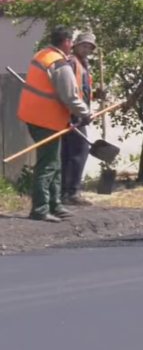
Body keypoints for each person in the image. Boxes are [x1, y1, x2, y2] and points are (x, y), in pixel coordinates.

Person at [17, 25, 92, 222]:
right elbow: (70, 96)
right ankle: (40, 209)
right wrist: (85, 113)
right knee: (48, 164)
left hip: (34, 116)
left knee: (55, 161)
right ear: (67, 42)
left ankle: (55, 205)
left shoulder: (42, 55)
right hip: (46, 120)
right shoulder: (59, 64)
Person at [61, 32, 103, 206]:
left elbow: (83, 91)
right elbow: (69, 90)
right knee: (78, 152)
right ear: (76, 45)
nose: (87, 49)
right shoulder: (71, 63)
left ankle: (67, 192)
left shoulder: (83, 65)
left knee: (71, 153)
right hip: (72, 114)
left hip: (78, 113)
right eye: (84, 45)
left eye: (90, 47)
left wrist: (97, 94)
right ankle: (71, 193)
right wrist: (78, 113)